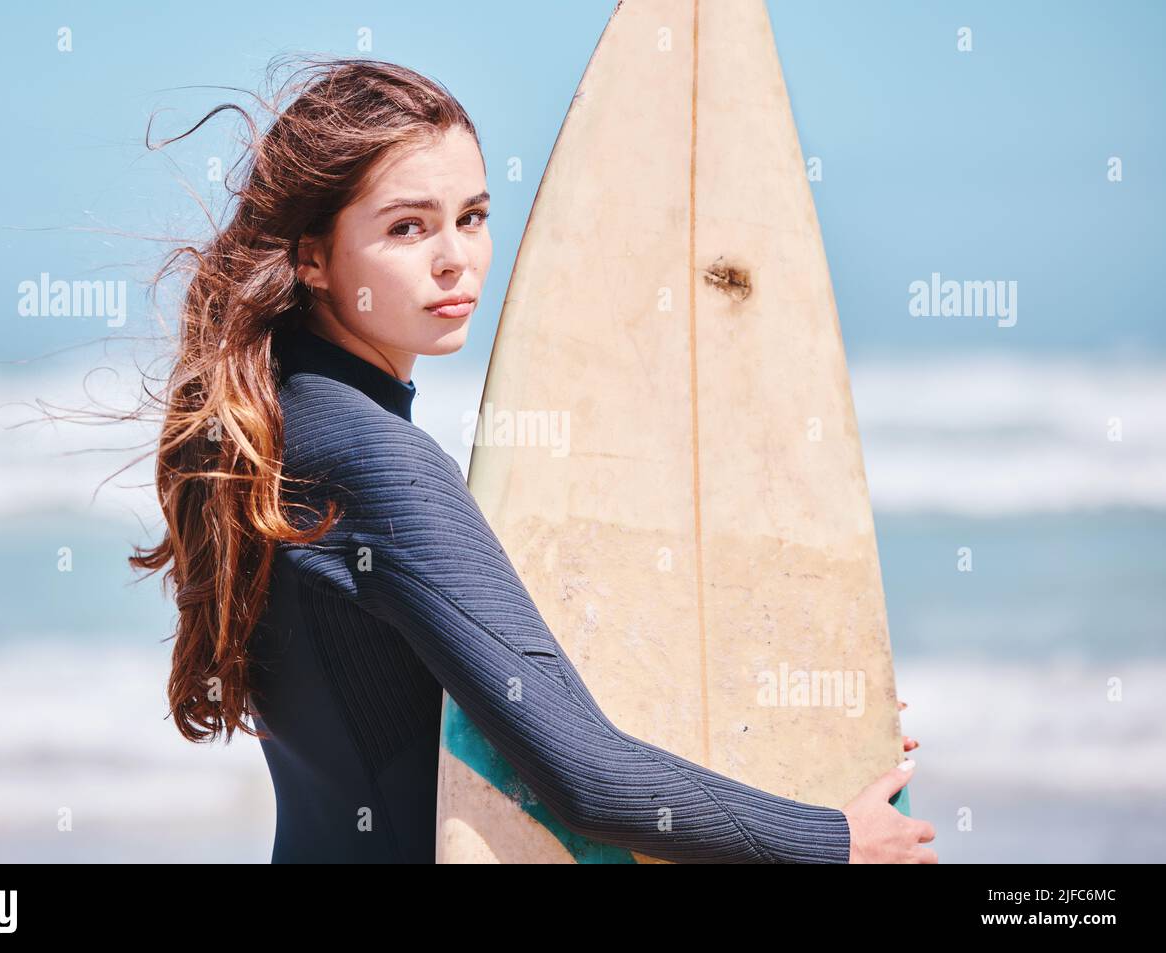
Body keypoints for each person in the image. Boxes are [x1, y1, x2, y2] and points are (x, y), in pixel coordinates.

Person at [133, 55, 936, 864]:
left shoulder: (281, 425)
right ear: (311, 257)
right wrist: (836, 840)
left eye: (473, 216)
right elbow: (586, 778)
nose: (455, 258)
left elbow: (526, 703)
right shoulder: (381, 462)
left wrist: (802, 725)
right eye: (407, 227)